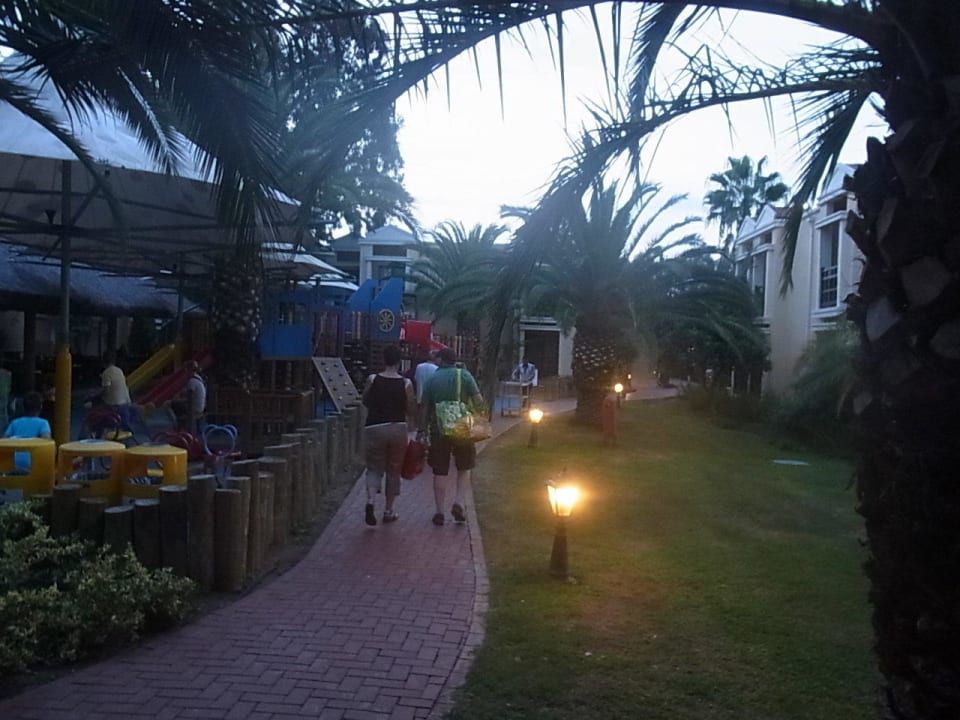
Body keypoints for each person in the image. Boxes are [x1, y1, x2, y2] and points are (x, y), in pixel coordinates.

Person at [419, 347, 484, 526]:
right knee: (464, 466)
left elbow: (424, 407)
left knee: (440, 470)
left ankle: (439, 511)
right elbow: (478, 400)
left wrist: (421, 430)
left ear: (440, 360)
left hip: (439, 430)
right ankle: (459, 502)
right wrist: (479, 419)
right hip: (462, 428)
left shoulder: (432, 379)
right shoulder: (465, 376)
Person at [361, 344, 415, 526]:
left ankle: (370, 501)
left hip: (374, 427)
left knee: (373, 468)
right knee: (394, 470)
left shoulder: (373, 379)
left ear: (384, 360)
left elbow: (365, 400)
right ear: (399, 362)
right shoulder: (406, 384)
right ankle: (388, 510)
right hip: (398, 428)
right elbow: (410, 408)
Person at [4, 391, 52, 471]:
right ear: (41, 407)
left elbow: (4, 441)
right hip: (34, 465)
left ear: (23, 407)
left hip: (13, 464)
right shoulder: (43, 423)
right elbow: (47, 442)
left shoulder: (14, 422)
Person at [100, 350, 132, 425]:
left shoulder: (106, 373)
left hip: (115, 406)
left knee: (99, 410)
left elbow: (106, 391)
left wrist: (97, 397)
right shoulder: (119, 370)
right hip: (125, 404)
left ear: (103, 361)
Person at [183, 361, 207, 439]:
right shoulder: (199, 380)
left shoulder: (192, 381)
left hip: (195, 409)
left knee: (175, 406)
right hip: (201, 407)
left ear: (189, 370)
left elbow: (190, 398)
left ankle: (185, 432)